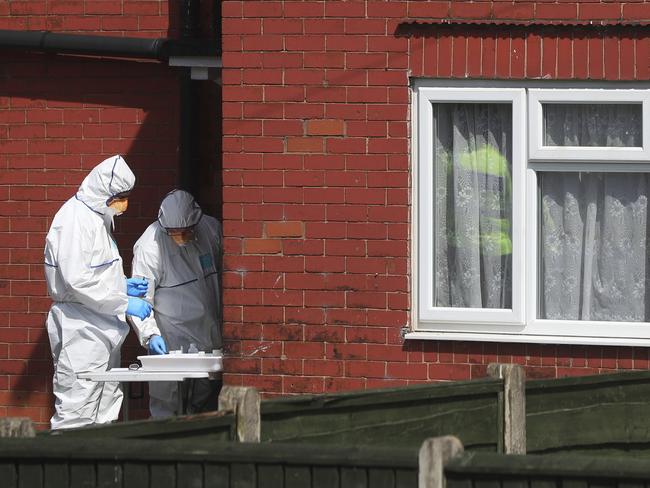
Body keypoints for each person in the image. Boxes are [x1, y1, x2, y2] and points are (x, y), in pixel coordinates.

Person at [44, 155, 153, 430]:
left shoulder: (99, 217)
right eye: (120, 196)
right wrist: (122, 300)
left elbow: (95, 270)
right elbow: (76, 281)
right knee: (76, 411)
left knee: (104, 409)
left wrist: (121, 283)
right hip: (80, 330)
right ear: (104, 191)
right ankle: (63, 471)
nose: (123, 203)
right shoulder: (74, 221)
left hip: (100, 329)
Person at [130, 189, 223, 417]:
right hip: (172, 337)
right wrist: (149, 335)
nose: (180, 237)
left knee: (205, 403)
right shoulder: (149, 247)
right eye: (174, 233)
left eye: (186, 232)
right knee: (167, 405)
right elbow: (140, 299)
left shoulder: (210, 230)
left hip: (209, 334)